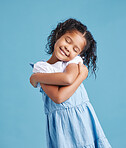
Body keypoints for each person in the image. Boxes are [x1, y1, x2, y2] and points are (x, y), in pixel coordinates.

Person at [30, 18, 112, 148]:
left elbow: (68, 78)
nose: (68, 49)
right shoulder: (42, 68)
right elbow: (59, 97)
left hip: (84, 122)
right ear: (59, 34)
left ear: (79, 54)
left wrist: (36, 78)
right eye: (67, 41)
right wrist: (81, 77)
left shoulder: (72, 61)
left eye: (75, 49)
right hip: (63, 128)